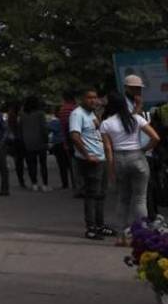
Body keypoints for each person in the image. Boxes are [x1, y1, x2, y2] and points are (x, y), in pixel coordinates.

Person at [101, 90, 161, 245]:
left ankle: (120, 237)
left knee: (122, 199)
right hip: (137, 157)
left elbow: (108, 149)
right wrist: (144, 149)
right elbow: (155, 137)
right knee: (140, 199)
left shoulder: (106, 124)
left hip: (119, 159)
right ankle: (143, 236)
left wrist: (111, 170)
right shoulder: (136, 119)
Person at [69, 88, 113, 241]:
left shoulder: (92, 113)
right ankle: (91, 228)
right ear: (82, 99)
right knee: (92, 194)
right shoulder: (77, 114)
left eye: (95, 97)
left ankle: (100, 225)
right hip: (90, 160)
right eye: (89, 98)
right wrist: (87, 155)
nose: (93, 100)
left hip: (101, 158)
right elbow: (75, 136)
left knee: (101, 194)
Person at [20, 95, 50, 191]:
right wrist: (46, 140)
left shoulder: (22, 114)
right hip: (40, 141)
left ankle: (34, 183)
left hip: (28, 141)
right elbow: (44, 128)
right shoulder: (40, 114)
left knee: (31, 164)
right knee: (43, 164)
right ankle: (45, 184)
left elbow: (20, 127)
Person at [57, 89, 81, 195]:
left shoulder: (62, 110)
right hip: (80, 137)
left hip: (69, 139)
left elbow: (63, 127)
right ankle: (83, 186)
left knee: (73, 165)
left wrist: (65, 143)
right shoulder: (78, 108)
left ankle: (77, 187)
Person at [5, 101, 27, 189]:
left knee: (18, 161)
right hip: (20, 140)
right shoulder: (20, 116)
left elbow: (9, 129)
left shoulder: (11, 116)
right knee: (20, 160)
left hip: (14, 140)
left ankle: (21, 179)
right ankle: (22, 180)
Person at [48, 113, 71, 190]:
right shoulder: (68, 121)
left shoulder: (54, 122)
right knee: (70, 164)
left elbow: (48, 129)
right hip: (67, 143)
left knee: (62, 165)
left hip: (58, 143)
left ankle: (65, 183)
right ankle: (75, 183)